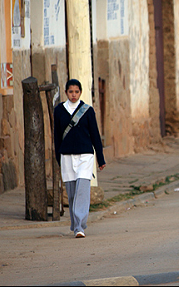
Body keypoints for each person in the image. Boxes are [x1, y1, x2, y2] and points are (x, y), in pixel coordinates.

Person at [54, 79, 106, 238]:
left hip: (85, 155)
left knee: (82, 191)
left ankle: (79, 228)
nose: (74, 95)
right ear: (66, 93)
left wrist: (101, 159)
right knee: (71, 193)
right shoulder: (59, 111)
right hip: (67, 156)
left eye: (76, 92)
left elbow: (95, 135)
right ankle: (76, 224)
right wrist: (58, 157)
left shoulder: (88, 111)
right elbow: (57, 136)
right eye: (71, 92)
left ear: (80, 92)